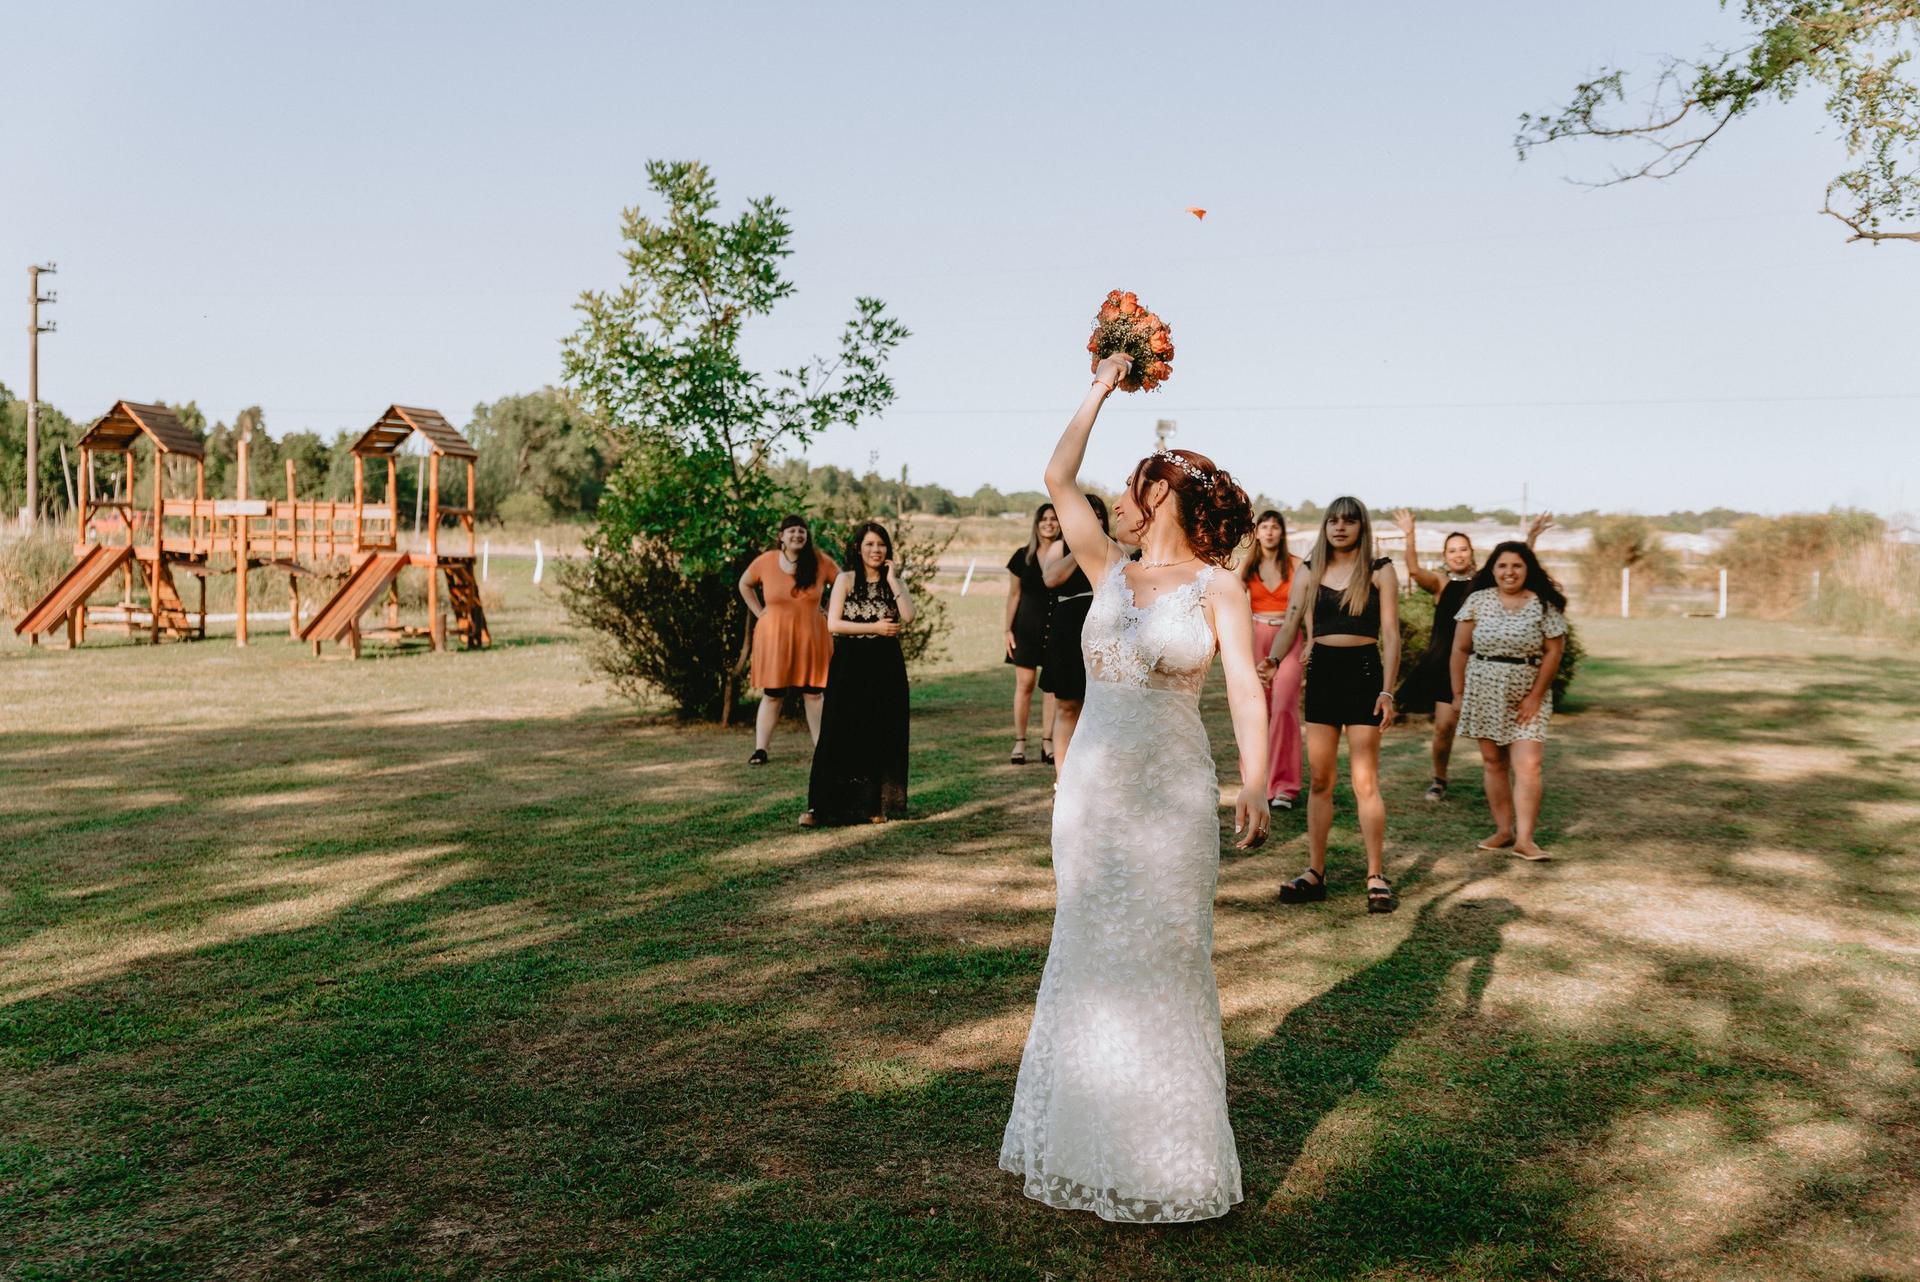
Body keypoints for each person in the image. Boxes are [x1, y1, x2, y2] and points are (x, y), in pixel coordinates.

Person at [1001, 351, 1269, 1224]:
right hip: (1093, 791)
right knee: (1089, 953)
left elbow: (1242, 688)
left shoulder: (1219, 585)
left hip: (1174, 794)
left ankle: (1167, 1158)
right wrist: (1100, 388)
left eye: (1136, 486)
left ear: (1170, 501)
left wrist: (1256, 780)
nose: (1119, 496)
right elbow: (1055, 472)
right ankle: (1082, 1136)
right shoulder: (1104, 567)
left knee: (1166, 957)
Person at [1261, 497, 1402, 913]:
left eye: (1349, 521)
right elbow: (1290, 621)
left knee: (1364, 782)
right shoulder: (1309, 569)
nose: (1340, 528)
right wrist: (1273, 659)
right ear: (1325, 527)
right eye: (1334, 521)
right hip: (1322, 674)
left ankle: (1376, 874)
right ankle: (1315, 872)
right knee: (1321, 781)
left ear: (1362, 526)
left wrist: (1388, 691)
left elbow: (1391, 634)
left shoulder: (1380, 570)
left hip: (1363, 675)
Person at [1392, 510, 1553, 802]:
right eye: (1452, 550)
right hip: (1445, 664)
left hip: (1484, 665)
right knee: (1443, 727)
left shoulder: (1484, 583)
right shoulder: (1441, 584)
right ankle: (1439, 779)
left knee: (1499, 730)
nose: (1458, 554)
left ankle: (1505, 778)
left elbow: (1514, 568)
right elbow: (1414, 570)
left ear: (1471, 552)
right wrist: (1409, 534)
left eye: (1462, 549)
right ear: (1445, 555)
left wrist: (1530, 538)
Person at [1450, 540, 1569, 861]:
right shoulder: (1477, 601)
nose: (1509, 572)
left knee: (1529, 765)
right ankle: (1504, 831)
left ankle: (1525, 840)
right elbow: (1460, 650)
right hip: (1484, 687)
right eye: (1502, 566)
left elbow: (1553, 652)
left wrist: (1535, 696)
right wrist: (1459, 693)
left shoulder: (1544, 605)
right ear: (1493, 569)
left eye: (1516, 565)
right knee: (1493, 762)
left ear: (1527, 569)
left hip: (1528, 692)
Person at [801, 522, 914, 826]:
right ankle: (820, 807)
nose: (876, 550)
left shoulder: (894, 581)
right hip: (850, 662)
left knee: (880, 731)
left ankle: (873, 805)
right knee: (839, 730)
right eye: (869, 545)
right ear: (858, 548)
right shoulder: (845, 580)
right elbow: (833, 624)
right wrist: (874, 628)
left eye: (881, 545)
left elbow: (909, 616)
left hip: (886, 664)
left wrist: (894, 580)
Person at [737, 515, 838, 765]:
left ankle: (822, 748)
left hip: (811, 635)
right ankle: (760, 749)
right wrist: (759, 612)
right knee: (773, 694)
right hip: (775, 637)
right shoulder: (766, 561)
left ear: (807, 536)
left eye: (802, 531)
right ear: (781, 536)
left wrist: (829, 607)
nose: (797, 535)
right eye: (791, 531)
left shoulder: (820, 561)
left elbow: (842, 583)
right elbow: (744, 584)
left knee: (814, 694)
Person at [1036, 493, 1109, 775]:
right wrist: (1081, 549)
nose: (1093, 520)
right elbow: (1051, 579)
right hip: (1067, 631)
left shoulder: (1114, 549)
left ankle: (1095, 776)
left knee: (1101, 705)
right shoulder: (1059, 548)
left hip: (1103, 629)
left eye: (1098, 515)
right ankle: (1063, 778)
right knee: (1067, 705)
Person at [1241, 510, 1307, 809]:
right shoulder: (1248, 564)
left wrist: (1314, 638)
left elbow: (1307, 607)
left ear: (1282, 532)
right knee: (1255, 711)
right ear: (1256, 532)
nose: (1269, 532)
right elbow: (1227, 593)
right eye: (1263, 527)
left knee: (1283, 708)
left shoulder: (1296, 565)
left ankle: (1285, 786)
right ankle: (1256, 782)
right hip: (1255, 637)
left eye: (1274, 527)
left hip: (1289, 638)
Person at [1004, 504, 1059, 765]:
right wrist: (1007, 630)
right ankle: (1020, 742)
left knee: (1051, 688)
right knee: (1024, 686)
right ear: (1036, 524)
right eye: (1044, 519)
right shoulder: (1022, 556)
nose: (1049, 523)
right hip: (1025, 629)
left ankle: (1048, 742)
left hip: (1056, 629)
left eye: (1054, 519)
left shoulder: (1065, 555)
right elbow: (1014, 595)